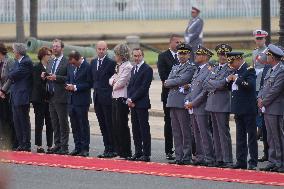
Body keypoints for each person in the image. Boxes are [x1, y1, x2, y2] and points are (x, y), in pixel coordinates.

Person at [164, 43, 195, 165]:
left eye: (184, 53)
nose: (181, 56)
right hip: (172, 101)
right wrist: (173, 82)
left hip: (182, 101)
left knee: (185, 130)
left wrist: (172, 82)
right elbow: (167, 82)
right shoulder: (175, 67)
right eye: (180, 53)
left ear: (189, 55)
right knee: (176, 131)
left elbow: (182, 80)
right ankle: (178, 156)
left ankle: (186, 156)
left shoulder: (191, 67)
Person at [226, 52, 258, 170]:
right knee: (240, 137)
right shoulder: (235, 71)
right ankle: (241, 161)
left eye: (232, 62)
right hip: (238, 108)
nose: (231, 64)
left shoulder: (249, 70)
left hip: (248, 109)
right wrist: (229, 80)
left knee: (251, 137)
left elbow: (250, 85)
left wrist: (237, 79)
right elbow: (232, 89)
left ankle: (253, 162)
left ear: (239, 59)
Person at [203, 44, 233, 168]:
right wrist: (218, 83)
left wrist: (216, 83)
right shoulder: (214, 68)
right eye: (220, 54)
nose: (223, 57)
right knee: (215, 132)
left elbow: (223, 85)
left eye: (225, 54)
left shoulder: (230, 69)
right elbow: (205, 83)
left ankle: (227, 159)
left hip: (222, 103)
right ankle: (219, 157)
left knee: (223, 132)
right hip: (212, 103)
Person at [184, 45, 214, 166]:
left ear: (205, 56)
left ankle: (209, 157)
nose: (195, 56)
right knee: (196, 132)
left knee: (204, 132)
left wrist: (193, 103)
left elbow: (205, 91)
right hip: (193, 106)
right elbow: (192, 88)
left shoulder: (209, 70)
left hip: (201, 106)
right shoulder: (198, 69)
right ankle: (200, 156)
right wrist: (187, 101)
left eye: (198, 54)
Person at [258, 44, 284, 173]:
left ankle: (281, 162)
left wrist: (264, 102)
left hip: (275, 108)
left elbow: (275, 90)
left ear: (272, 57)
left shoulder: (281, 70)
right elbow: (263, 87)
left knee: (278, 135)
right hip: (267, 108)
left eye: (268, 55)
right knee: (270, 136)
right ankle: (273, 161)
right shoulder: (270, 69)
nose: (266, 57)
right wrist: (259, 98)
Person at [157, 34, 182, 160]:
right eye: (177, 42)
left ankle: (182, 149)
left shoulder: (183, 56)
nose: (179, 44)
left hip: (182, 95)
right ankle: (169, 150)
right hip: (168, 95)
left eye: (180, 42)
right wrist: (179, 83)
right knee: (169, 123)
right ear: (171, 43)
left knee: (182, 123)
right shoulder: (163, 56)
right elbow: (163, 77)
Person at [43, 39, 69, 155]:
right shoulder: (50, 61)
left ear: (62, 48)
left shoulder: (66, 61)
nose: (54, 48)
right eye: (53, 46)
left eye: (57, 46)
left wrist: (56, 77)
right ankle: (57, 144)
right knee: (54, 122)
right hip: (51, 96)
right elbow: (49, 75)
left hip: (61, 95)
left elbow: (68, 78)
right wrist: (45, 75)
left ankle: (64, 146)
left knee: (62, 122)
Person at [91, 41, 117, 158]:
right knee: (102, 124)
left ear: (106, 49)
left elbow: (114, 79)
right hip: (97, 97)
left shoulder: (111, 63)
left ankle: (113, 148)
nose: (101, 51)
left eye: (103, 49)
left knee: (109, 124)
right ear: (96, 50)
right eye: (99, 49)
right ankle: (107, 147)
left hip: (107, 98)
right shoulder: (93, 62)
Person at [127, 48, 153, 162]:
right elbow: (130, 86)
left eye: (139, 56)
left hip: (141, 104)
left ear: (143, 56)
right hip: (133, 104)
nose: (137, 58)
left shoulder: (147, 69)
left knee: (144, 129)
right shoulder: (133, 69)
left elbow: (143, 88)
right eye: (135, 56)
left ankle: (146, 154)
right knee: (135, 129)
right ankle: (138, 152)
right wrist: (128, 99)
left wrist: (132, 98)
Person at [7, 43, 33, 151]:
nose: (13, 52)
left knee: (23, 120)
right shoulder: (18, 61)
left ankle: (26, 144)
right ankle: (21, 143)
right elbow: (12, 73)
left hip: (22, 95)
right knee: (16, 120)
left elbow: (13, 74)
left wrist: (10, 74)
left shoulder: (26, 62)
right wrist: (11, 74)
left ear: (18, 52)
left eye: (13, 50)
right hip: (15, 94)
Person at [65, 51, 92, 157]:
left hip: (82, 101)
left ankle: (85, 148)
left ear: (78, 59)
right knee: (74, 125)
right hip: (71, 100)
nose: (72, 65)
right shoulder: (71, 65)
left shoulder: (87, 66)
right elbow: (68, 78)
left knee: (83, 125)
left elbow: (89, 83)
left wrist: (75, 87)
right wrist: (67, 85)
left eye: (74, 63)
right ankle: (77, 147)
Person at [109, 43, 133, 159]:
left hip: (122, 97)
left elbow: (121, 83)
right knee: (115, 125)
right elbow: (111, 79)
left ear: (122, 55)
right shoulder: (118, 65)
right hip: (115, 97)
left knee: (122, 125)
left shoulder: (127, 66)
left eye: (117, 54)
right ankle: (119, 151)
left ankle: (125, 152)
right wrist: (114, 81)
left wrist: (114, 82)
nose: (115, 56)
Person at [31, 47, 53, 153]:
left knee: (50, 122)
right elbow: (37, 85)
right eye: (49, 54)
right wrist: (42, 79)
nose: (50, 56)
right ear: (43, 56)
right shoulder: (37, 68)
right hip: (39, 100)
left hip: (49, 100)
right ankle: (39, 145)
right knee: (39, 122)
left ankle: (50, 145)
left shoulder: (50, 67)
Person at [0, 43, 17, 150]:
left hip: (8, 94)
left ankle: (13, 142)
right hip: (0, 94)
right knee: (2, 119)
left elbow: (11, 78)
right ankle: (4, 141)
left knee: (9, 118)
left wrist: (3, 91)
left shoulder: (9, 61)